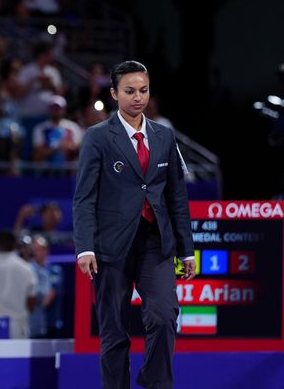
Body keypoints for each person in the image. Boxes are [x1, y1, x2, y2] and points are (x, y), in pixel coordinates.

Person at [73, 60, 196, 389]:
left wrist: (186, 251)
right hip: (110, 246)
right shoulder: (97, 137)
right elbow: (84, 197)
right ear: (114, 93)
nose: (137, 97)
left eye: (143, 90)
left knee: (164, 315)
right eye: (129, 91)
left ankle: (156, 382)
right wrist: (85, 247)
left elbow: (176, 198)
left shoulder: (164, 136)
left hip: (155, 241)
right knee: (114, 330)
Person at [27, 234, 64, 338]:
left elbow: (47, 299)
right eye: (34, 249)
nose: (37, 252)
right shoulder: (27, 271)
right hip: (33, 325)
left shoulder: (55, 271)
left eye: (40, 249)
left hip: (52, 322)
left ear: (46, 251)